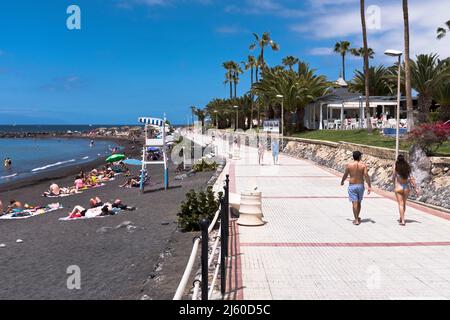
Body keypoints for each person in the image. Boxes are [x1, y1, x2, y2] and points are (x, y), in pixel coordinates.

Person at [340, 151, 372, 225]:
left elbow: (345, 174)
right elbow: (366, 176)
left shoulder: (349, 165)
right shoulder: (363, 166)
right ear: (359, 157)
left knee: (354, 203)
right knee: (359, 202)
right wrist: (369, 186)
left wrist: (342, 181)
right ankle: (357, 217)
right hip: (360, 185)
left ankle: (356, 219)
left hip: (352, 185)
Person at [393, 155, 419, 226]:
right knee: (404, 203)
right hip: (406, 188)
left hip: (398, 187)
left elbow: (393, 176)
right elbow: (412, 178)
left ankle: (403, 220)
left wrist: (393, 183)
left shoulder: (396, 167)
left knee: (400, 204)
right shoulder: (407, 168)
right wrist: (416, 188)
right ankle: (402, 218)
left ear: (398, 160)